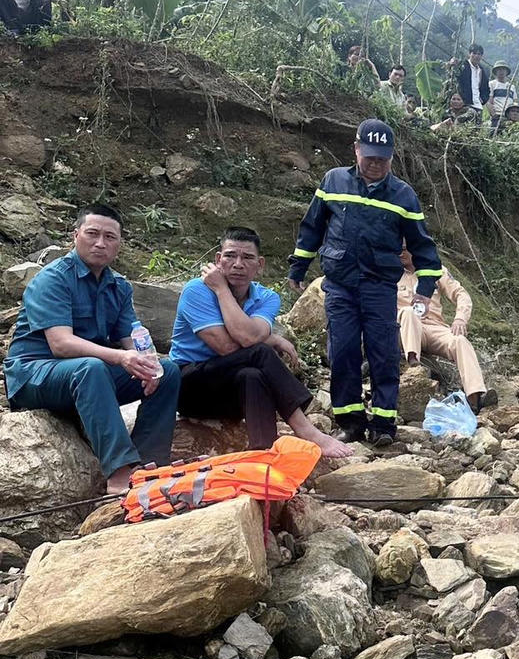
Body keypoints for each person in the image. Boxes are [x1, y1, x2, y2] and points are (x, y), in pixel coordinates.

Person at [1, 204, 180, 494]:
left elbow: (129, 337)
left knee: (167, 370)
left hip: (86, 378)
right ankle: (119, 476)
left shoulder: (119, 286)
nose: (100, 243)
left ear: (119, 244)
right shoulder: (53, 279)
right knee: (90, 366)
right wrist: (122, 357)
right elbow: (60, 344)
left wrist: (147, 364)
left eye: (110, 237)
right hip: (34, 376)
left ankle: (149, 465)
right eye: (92, 234)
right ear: (75, 235)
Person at [288, 118, 444, 447]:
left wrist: (425, 291)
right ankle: (350, 422)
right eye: (369, 156)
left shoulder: (403, 195)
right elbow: (312, 228)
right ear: (356, 149)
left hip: (379, 287)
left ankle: (385, 422)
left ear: (392, 157)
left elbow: (423, 248)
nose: (375, 164)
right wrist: (298, 268)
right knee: (342, 351)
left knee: (384, 353)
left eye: (383, 159)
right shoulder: (334, 181)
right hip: (340, 285)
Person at [170, 227, 352, 458]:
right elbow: (228, 346)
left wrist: (262, 337)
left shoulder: (267, 297)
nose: (238, 264)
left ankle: (263, 454)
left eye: (247, 258)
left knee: (252, 375)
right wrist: (221, 289)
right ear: (218, 260)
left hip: (230, 395)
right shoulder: (196, 290)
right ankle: (306, 429)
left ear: (260, 264)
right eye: (230, 256)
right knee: (261, 353)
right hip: (189, 388)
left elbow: (250, 337)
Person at [396, 249, 495, 413]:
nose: (401, 252)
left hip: (435, 327)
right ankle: (414, 364)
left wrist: (460, 318)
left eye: (406, 248)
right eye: (398, 248)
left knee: (460, 341)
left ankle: (475, 396)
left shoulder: (436, 270)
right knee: (408, 312)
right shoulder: (390, 272)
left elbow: (461, 294)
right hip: (405, 329)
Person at [449, 43, 490, 117]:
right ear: (469, 54)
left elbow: (486, 89)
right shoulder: (463, 66)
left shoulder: (482, 71)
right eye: (474, 53)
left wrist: (482, 99)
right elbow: (454, 77)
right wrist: (452, 64)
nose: (477, 56)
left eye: (479, 54)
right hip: (464, 105)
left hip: (478, 106)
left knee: (476, 128)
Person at [488, 60, 517, 130]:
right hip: (497, 115)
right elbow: (489, 102)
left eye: (503, 69)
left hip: (509, 117)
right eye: (499, 69)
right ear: (495, 72)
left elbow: (515, 102)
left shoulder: (512, 87)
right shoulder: (492, 84)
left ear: (507, 71)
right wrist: (493, 114)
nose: (501, 71)